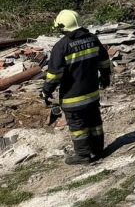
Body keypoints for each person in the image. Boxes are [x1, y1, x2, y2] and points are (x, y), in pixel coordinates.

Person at [42, 10, 111, 164]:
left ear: (63, 27)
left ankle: (83, 155)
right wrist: (105, 76)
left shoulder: (61, 46)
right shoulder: (93, 39)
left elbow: (54, 75)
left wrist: (46, 92)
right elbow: (104, 60)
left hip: (73, 97)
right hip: (92, 93)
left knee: (78, 126)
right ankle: (98, 150)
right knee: (94, 122)